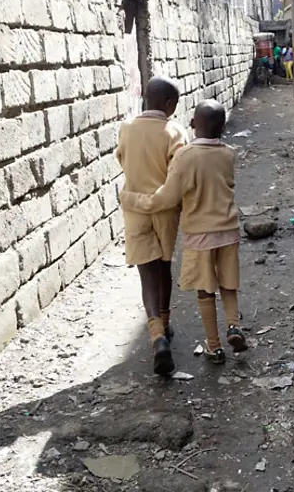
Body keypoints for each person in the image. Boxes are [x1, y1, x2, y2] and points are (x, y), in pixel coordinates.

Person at [120, 100, 249, 366]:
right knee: (227, 283)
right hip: (228, 232)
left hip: (199, 236)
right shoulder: (228, 154)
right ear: (223, 127)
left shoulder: (185, 156)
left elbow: (166, 197)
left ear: (193, 124)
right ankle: (234, 325)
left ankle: (214, 348)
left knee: (204, 291)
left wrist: (132, 199)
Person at [115, 77, 188, 375]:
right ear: (169, 105)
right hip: (164, 210)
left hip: (134, 208)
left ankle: (156, 333)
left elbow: (122, 158)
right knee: (163, 269)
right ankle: (166, 323)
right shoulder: (174, 131)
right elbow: (179, 172)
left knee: (146, 274)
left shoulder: (127, 128)